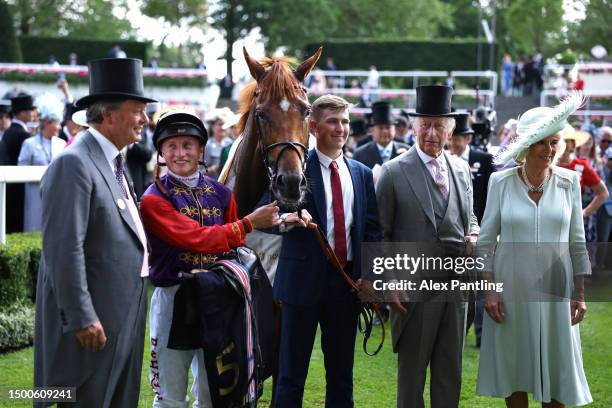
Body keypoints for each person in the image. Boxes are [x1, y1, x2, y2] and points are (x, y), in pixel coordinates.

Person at [34, 58, 156, 407]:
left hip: (123, 321)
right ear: (108, 115)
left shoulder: (113, 160)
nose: (144, 120)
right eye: (138, 110)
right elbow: (63, 249)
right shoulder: (74, 163)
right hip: (93, 331)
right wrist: (82, 316)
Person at [139, 108, 280, 407]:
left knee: (213, 391)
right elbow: (197, 239)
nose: (180, 153)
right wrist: (250, 222)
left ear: (201, 149)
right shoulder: (153, 200)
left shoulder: (222, 194)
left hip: (217, 299)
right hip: (174, 297)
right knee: (169, 395)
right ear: (161, 152)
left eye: (187, 145)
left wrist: (282, 221)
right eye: (172, 146)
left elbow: (232, 242)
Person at [477, 93, 593, 407]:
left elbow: (577, 242)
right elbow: (486, 243)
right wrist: (489, 292)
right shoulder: (500, 182)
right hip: (510, 290)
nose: (549, 149)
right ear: (526, 145)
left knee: (556, 374)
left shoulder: (570, 181)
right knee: (514, 369)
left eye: (555, 142)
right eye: (542, 142)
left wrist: (579, 293)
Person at [273, 94, 382, 407]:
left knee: (341, 377)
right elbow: (261, 213)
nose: (341, 128)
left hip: (345, 286)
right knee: (291, 377)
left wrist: (369, 276)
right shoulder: (294, 166)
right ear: (314, 127)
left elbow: (372, 230)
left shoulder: (361, 173)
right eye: (333, 121)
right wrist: (285, 219)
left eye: (345, 121)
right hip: (300, 286)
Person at [375, 85, 479, 408]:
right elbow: (381, 236)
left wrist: (474, 233)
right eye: (425, 126)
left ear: (450, 131)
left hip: (457, 292)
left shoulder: (462, 170)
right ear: (414, 128)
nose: (431, 133)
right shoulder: (393, 173)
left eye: (438, 126)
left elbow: (471, 217)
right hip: (414, 295)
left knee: (450, 378)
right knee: (411, 383)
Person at [448, 112, 495, 347]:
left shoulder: (484, 159)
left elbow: (491, 197)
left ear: (467, 138)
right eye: (451, 137)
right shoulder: (444, 161)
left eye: (458, 137)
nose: (454, 142)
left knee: (481, 284)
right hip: (454, 237)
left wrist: (486, 230)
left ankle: (481, 333)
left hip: (482, 232)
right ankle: (456, 331)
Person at [18, 94, 66, 232]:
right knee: (34, 229)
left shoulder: (61, 144)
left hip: (56, 195)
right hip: (35, 195)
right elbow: (21, 170)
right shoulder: (29, 144)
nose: (59, 127)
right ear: (47, 123)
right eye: (57, 123)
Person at [1, 93, 37, 233]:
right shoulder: (23, 135)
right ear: (22, 113)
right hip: (18, 189)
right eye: (30, 110)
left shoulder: (9, 131)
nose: (32, 113)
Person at [352, 101, 409, 170]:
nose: (385, 131)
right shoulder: (360, 154)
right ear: (372, 130)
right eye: (380, 128)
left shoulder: (407, 151)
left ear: (394, 129)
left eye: (388, 127)